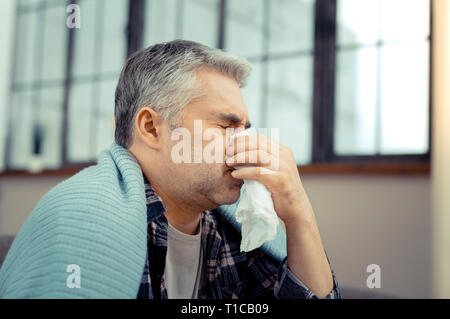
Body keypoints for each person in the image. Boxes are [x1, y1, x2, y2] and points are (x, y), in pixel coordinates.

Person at [0, 40, 340, 299]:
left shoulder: (234, 227)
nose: (246, 146)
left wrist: (298, 214)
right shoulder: (80, 215)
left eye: (246, 129)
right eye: (226, 127)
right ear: (151, 128)